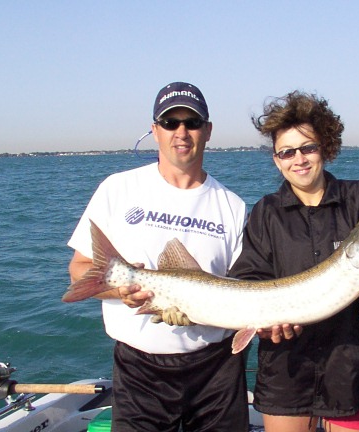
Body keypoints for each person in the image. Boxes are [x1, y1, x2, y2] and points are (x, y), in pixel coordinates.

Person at [67, 82, 249, 432]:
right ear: (155, 130)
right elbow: (79, 269)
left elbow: (242, 288)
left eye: (192, 122)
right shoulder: (118, 189)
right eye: (170, 123)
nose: (181, 132)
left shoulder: (233, 206)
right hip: (140, 373)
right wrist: (121, 291)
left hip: (216, 371)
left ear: (208, 130)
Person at [228, 91, 359, 432]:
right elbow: (250, 278)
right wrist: (265, 324)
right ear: (277, 160)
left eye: (308, 148)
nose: (299, 159)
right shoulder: (266, 212)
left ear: (324, 147)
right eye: (287, 152)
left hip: (350, 375)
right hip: (285, 374)